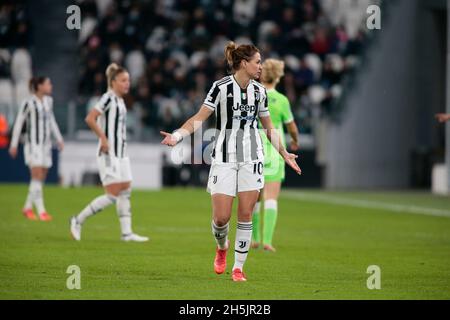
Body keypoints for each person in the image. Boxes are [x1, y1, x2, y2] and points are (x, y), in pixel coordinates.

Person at [160, 42, 301, 282]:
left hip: (252, 158)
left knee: (246, 213)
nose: (260, 66)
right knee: (221, 218)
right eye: (257, 62)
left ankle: (238, 268)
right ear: (244, 63)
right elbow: (199, 118)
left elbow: (269, 128)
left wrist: (284, 153)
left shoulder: (260, 92)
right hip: (224, 158)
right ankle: (222, 247)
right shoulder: (220, 87)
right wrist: (177, 135)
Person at [70, 63, 149, 242]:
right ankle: (77, 220)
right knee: (112, 195)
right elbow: (90, 118)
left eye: (128, 80)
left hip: (122, 153)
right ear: (113, 82)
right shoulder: (108, 98)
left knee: (125, 191)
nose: (127, 83)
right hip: (109, 154)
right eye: (123, 80)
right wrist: (103, 138)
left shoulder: (120, 101)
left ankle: (126, 233)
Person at [251, 59, 300, 252]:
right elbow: (292, 127)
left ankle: (253, 238)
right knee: (271, 198)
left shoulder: (253, 95)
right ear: (279, 76)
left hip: (252, 151)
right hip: (274, 153)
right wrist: (295, 141)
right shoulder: (281, 100)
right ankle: (267, 241)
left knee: (253, 198)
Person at [9, 76, 64, 221]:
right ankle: (41, 211)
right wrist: (14, 144)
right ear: (39, 86)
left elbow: (52, 121)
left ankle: (27, 207)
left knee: (41, 177)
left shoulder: (48, 102)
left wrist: (59, 139)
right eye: (48, 84)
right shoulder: (28, 103)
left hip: (46, 145)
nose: (51, 86)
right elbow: (19, 123)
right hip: (33, 145)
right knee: (37, 175)